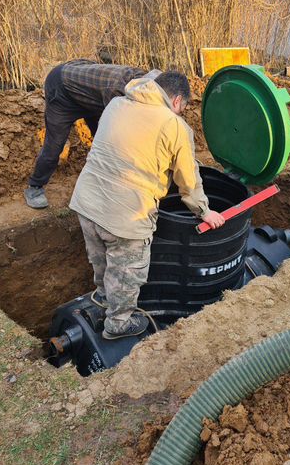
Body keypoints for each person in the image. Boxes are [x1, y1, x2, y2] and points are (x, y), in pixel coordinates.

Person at [69, 71, 225, 340]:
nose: (182, 113)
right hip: (127, 216)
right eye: (184, 108)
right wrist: (204, 211)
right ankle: (117, 324)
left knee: (101, 261)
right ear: (176, 101)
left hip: (87, 202)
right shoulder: (174, 125)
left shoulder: (117, 104)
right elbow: (188, 180)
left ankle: (104, 300)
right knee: (128, 274)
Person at [24, 59, 159, 209]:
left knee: (100, 137)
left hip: (91, 93)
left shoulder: (141, 80)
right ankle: (35, 187)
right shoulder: (117, 90)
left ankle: (102, 176)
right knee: (55, 145)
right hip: (61, 90)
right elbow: (120, 128)